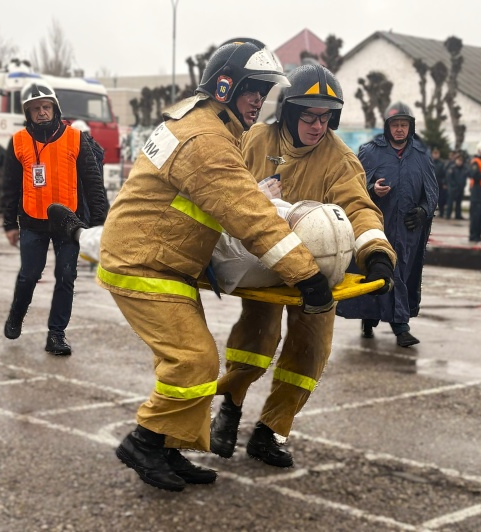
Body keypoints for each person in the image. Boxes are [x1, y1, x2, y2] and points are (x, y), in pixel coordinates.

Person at [96, 39, 336, 492]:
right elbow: (248, 214)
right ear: (225, 86)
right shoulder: (205, 138)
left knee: (198, 362)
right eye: (253, 90)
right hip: (143, 262)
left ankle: (169, 446)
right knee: (194, 359)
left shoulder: (206, 125)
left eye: (264, 93)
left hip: (165, 260)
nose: (258, 102)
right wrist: (306, 274)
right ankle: (144, 441)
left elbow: (234, 198)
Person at [209, 63, 396, 470]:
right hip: (266, 263)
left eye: (325, 117)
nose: (317, 125)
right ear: (289, 112)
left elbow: (360, 209)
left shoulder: (340, 159)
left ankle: (271, 431)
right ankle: (229, 409)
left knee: (310, 351)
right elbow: (223, 183)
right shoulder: (255, 139)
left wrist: (377, 254)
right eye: (309, 116)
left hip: (320, 274)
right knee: (254, 342)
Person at [1, 80, 108, 356]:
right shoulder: (18, 142)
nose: (41, 113)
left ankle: (56, 334)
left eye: (46, 107)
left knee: (65, 277)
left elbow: (93, 182)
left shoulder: (76, 137)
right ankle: (16, 315)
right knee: (29, 275)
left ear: (55, 108)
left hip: (69, 224)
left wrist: (99, 223)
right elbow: (10, 187)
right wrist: (10, 224)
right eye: (35, 109)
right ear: (28, 113)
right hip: (32, 222)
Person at [336, 101, 436, 347]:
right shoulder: (370, 152)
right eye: (395, 125)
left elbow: (432, 191)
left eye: (404, 125)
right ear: (387, 127)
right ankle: (378, 320)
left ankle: (399, 324)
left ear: (410, 127)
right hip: (376, 224)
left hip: (408, 229)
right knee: (374, 268)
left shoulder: (421, 155)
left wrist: (423, 211)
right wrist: (372, 189)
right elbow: (354, 186)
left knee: (400, 271)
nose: (399, 129)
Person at [445, 152, 468, 219]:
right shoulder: (452, 168)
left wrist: (463, 186)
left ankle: (458, 215)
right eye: (458, 160)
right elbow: (449, 178)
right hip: (453, 188)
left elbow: (464, 178)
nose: (460, 162)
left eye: (461, 161)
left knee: (458, 203)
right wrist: (454, 186)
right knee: (450, 202)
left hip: (460, 189)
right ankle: (448, 215)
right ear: (456, 160)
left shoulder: (464, 169)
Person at [432, 146, 448, 216]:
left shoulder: (441, 164)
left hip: (439, 183)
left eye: (437, 154)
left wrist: (444, 183)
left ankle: (441, 212)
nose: (435, 155)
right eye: (434, 153)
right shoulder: (429, 162)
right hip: (431, 183)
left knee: (441, 199)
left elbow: (445, 174)